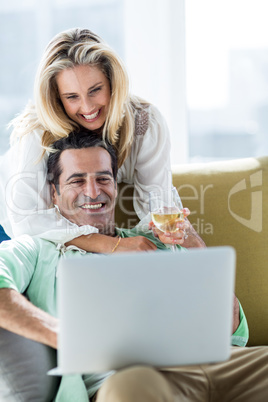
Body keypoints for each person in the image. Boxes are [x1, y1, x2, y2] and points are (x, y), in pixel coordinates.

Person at [0, 131, 267, 402]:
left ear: (115, 186)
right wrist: (61, 334)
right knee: (134, 388)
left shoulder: (156, 239)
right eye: (77, 180)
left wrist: (195, 246)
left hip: (218, 364)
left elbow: (229, 328)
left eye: (103, 179)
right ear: (55, 195)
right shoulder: (38, 249)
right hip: (131, 379)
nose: (92, 191)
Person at [0, 27, 204, 253]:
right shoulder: (38, 130)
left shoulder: (145, 122)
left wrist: (169, 229)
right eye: (72, 97)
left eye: (95, 90)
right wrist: (113, 245)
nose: (87, 108)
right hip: (11, 226)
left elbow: (156, 202)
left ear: (112, 84)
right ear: (58, 98)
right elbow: (27, 221)